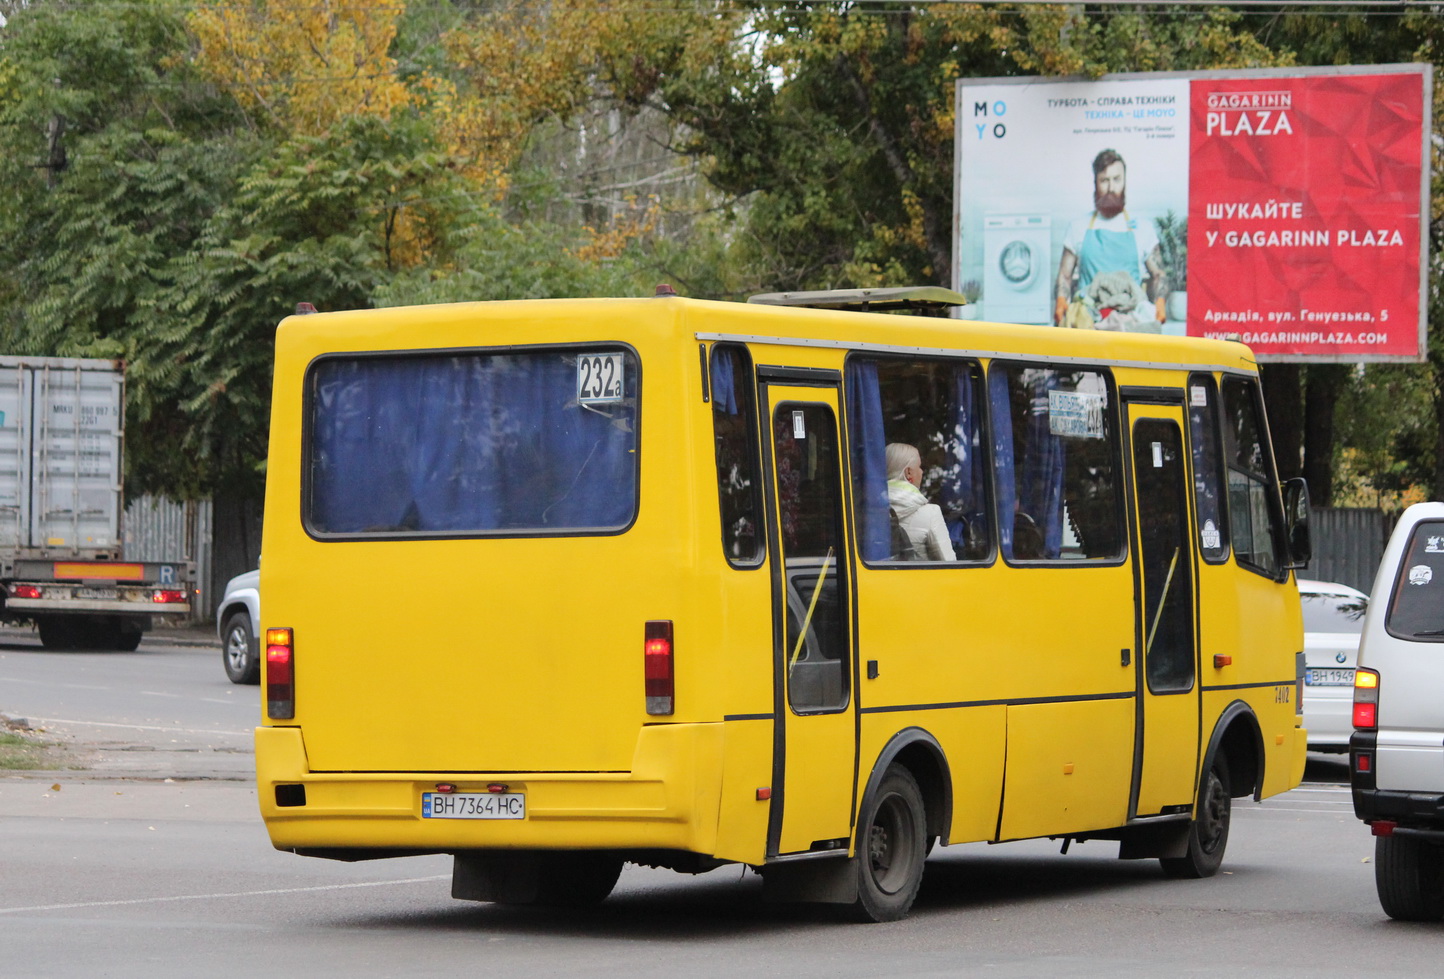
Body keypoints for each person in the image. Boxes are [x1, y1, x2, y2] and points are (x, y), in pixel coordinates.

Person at [1054, 149, 1167, 331]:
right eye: (1104, 180)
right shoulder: (1078, 227)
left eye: (1117, 179)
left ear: (1125, 181)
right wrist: (1061, 302)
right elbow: (1064, 276)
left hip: (1130, 319)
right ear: (1095, 182)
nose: (1111, 188)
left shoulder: (1143, 229)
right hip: (1088, 319)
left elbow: (1158, 274)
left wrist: (1160, 304)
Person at [885, 442, 956, 562]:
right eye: (919, 466)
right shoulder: (930, 513)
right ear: (908, 473)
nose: (922, 472)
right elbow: (950, 564)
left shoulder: (869, 512)